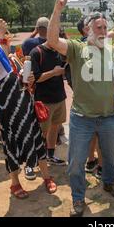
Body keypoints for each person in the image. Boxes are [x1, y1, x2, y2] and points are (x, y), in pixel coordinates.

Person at [47, 0, 114, 217]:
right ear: (87, 30)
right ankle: (78, 198)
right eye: (99, 27)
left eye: (106, 27)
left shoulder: (111, 51)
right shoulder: (77, 49)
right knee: (76, 163)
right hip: (81, 120)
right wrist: (57, 9)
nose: (104, 31)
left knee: (111, 156)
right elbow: (53, 40)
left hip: (109, 117)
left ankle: (108, 183)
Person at [0, 18, 57, 198]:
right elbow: (2, 70)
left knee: (37, 143)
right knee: (11, 148)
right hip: (9, 113)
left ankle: (46, 177)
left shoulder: (14, 57)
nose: (6, 39)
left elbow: (22, 79)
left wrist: (29, 81)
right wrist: (1, 36)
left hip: (26, 109)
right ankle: (15, 184)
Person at [29, 39, 68, 169]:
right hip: (44, 100)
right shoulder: (36, 52)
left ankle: (50, 154)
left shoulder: (58, 51)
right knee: (41, 132)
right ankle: (34, 160)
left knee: (55, 127)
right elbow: (36, 78)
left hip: (59, 97)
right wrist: (54, 72)